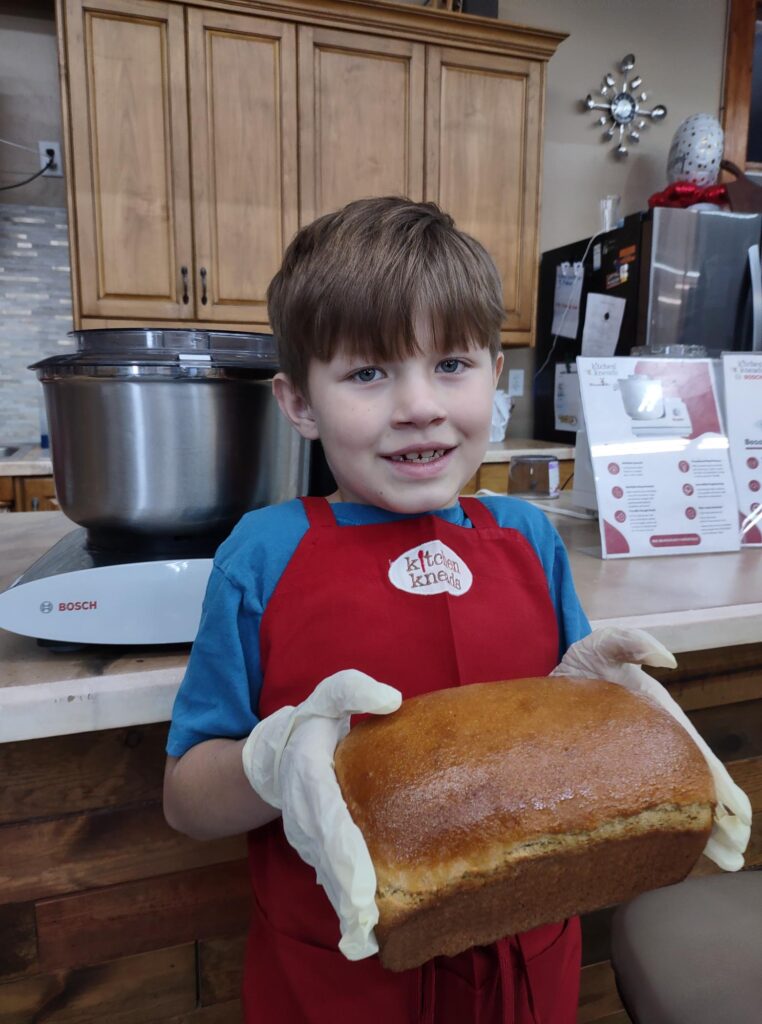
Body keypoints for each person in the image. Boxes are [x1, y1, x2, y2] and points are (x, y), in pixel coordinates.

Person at [163, 196, 747, 1023]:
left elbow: (563, 753)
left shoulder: (526, 538)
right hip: (339, 985)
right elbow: (186, 799)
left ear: (494, 375)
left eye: (451, 365)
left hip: (529, 968)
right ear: (299, 403)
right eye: (368, 373)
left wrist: (587, 698)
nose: (419, 406)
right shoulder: (261, 555)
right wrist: (271, 760)